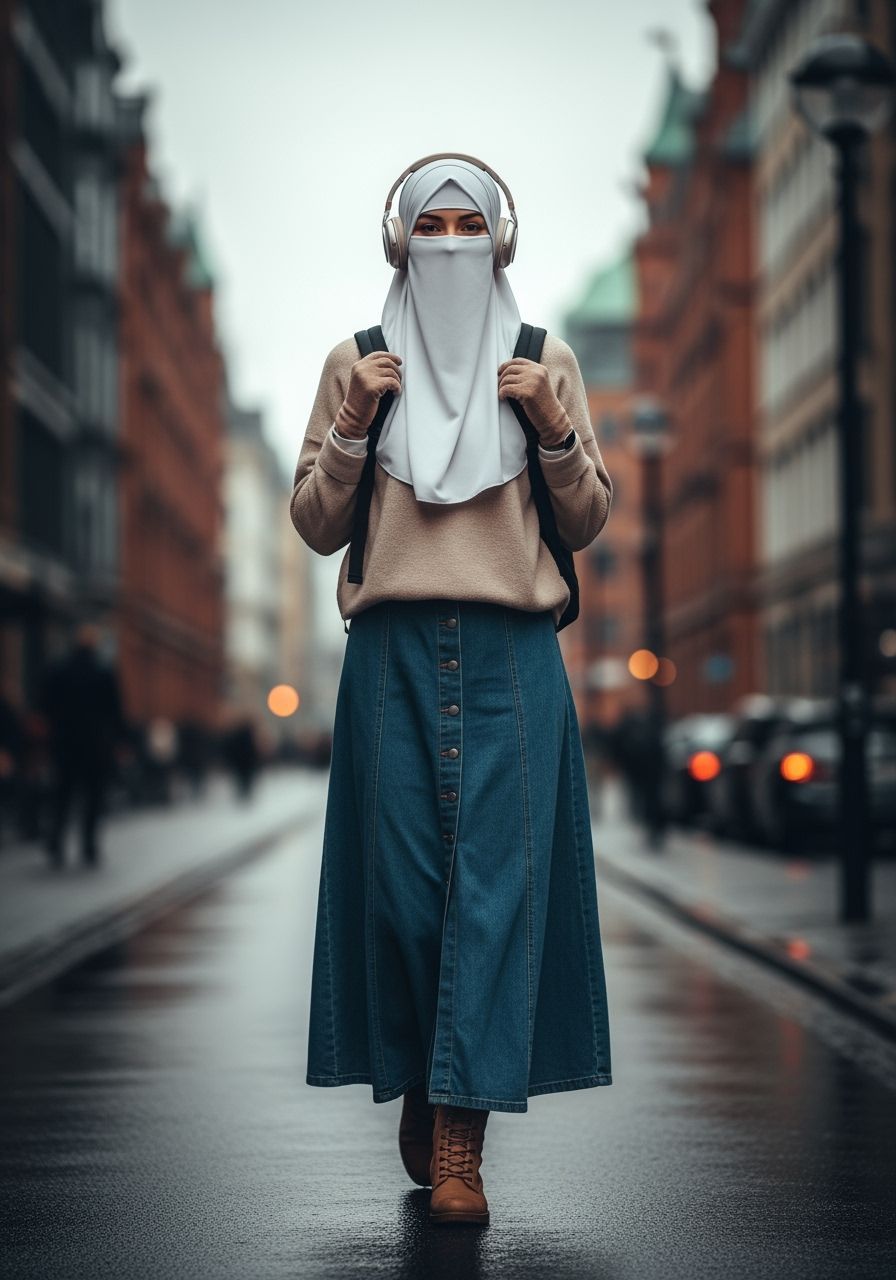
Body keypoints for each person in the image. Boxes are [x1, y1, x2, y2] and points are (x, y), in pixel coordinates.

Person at [290, 155, 615, 1227]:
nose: (448, 243)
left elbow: (588, 518)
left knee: (494, 894)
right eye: (427, 225)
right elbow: (315, 523)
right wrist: (351, 426)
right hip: (387, 653)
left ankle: (460, 1143)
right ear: (398, 240)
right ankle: (429, 1085)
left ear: (500, 239)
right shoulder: (356, 362)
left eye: (467, 224)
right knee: (401, 893)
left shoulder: (543, 358)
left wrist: (554, 429)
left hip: (511, 655)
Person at [38, 622, 127, 868]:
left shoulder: (59, 668)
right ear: (94, 644)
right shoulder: (103, 671)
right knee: (93, 797)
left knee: (62, 795)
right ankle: (88, 846)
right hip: (95, 745)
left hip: (64, 742)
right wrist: (121, 741)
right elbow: (115, 711)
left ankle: (55, 843)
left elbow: (45, 704)